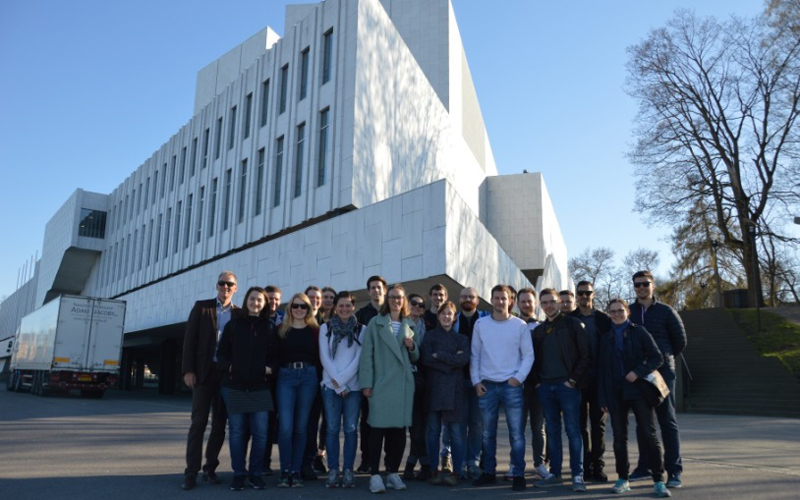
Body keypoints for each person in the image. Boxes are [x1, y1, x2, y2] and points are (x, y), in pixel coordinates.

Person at [598, 299, 671, 498]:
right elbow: (602, 370)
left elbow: (657, 357)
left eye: (620, 310)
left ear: (627, 312)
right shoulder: (606, 338)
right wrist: (602, 398)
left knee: (649, 434)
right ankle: (623, 478)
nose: (616, 314)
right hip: (615, 393)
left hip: (639, 391)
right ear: (609, 314)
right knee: (619, 438)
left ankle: (658, 480)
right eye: (612, 311)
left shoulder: (639, 332)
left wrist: (638, 371)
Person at [470, 285, 534, 492]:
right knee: (487, 434)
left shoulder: (520, 325)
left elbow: (528, 355)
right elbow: (475, 355)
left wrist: (518, 378)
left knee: (516, 434)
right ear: (491, 300)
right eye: (496, 298)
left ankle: (518, 474)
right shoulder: (481, 324)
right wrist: (476, 381)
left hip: (511, 386)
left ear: (511, 301)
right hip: (487, 385)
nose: (500, 302)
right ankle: (489, 472)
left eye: (503, 298)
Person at [181, 271, 241, 490]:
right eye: (222, 283)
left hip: (225, 375)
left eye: (229, 284)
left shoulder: (239, 314)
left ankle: (210, 468)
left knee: (219, 425)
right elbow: (189, 340)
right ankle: (191, 473)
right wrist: (188, 370)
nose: (225, 287)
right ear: (216, 286)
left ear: (235, 288)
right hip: (203, 374)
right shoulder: (202, 307)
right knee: (198, 423)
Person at [628, 271, 687, 489]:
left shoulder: (666, 311)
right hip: (639, 373)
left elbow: (680, 341)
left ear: (653, 285)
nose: (641, 288)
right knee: (643, 423)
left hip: (662, 373)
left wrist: (664, 358)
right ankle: (646, 467)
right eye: (637, 285)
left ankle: (674, 470)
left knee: (667, 421)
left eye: (645, 284)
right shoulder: (630, 311)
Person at [359, 283, 419, 493]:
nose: (395, 300)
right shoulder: (375, 323)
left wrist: (413, 347)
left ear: (404, 301)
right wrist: (366, 383)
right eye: (392, 297)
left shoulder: (409, 324)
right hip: (381, 383)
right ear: (387, 299)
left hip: (402, 384)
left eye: (399, 297)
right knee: (377, 430)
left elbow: (415, 356)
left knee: (399, 431)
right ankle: (375, 474)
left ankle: (393, 472)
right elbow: (366, 356)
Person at [532, 288, 591, 492]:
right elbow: (533, 359)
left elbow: (586, 355)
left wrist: (573, 380)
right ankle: (555, 474)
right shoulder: (539, 331)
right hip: (546, 387)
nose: (548, 306)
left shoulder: (573, 324)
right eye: (545, 302)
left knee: (573, 431)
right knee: (552, 431)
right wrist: (538, 382)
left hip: (567, 387)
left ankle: (577, 475)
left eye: (552, 301)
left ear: (559, 302)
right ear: (541, 306)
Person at [216, 287, 274, 491]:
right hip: (235, 385)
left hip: (260, 387)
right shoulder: (233, 325)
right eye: (252, 299)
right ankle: (239, 474)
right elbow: (221, 354)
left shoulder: (269, 327)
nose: (255, 303)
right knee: (237, 432)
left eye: (259, 300)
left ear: (264, 304)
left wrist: (269, 368)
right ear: (246, 300)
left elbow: (276, 355)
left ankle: (255, 474)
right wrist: (230, 367)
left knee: (261, 433)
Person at [273, 293, 320, 488]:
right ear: (290, 308)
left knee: (301, 427)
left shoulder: (315, 331)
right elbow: (274, 356)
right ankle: (285, 470)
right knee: (285, 428)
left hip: (309, 377)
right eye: (295, 306)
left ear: (309, 310)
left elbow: (319, 357)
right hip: (286, 377)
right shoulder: (280, 330)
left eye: (303, 306)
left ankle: (296, 470)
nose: (299, 309)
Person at [420, 301, 469, 487]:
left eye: (450, 314)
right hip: (433, 388)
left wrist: (439, 356)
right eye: (443, 314)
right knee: (433, 431)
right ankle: (433, 469)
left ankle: (457, 472)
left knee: (456, 432)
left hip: (455, 390)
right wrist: (451, 363)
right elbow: (426, 359)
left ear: (455, 317)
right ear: (438, 316)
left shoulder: (462, 339)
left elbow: (463, 359)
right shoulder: (429, 336)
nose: (447, 317)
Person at [319, 291, 364, 489]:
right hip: (330, 387)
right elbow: (325, 357)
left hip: (353, 387)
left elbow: (358, 359)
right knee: (332, 429)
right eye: (341, 305)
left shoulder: (361, 329)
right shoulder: (325, 328)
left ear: (353, 307)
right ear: (335, 307)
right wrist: (338, 384)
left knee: (351, 429)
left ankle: (348, 470)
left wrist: (343, 382)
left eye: (348, 305)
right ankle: (333, 469)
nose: (344, 309)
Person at [570, 281, 612, 482]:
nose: (584, 296)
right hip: (577, 381)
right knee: (579, 427)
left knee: (598, 426)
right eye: (581, 293)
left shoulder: (604, 319)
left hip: (599, 380)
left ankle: (598, 466)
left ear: (593, 294)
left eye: (588, 293)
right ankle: (585, 466)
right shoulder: (570, 319)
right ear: (576, 295)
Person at [454, 286, 487, 479]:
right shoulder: (453, 320)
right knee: (458, 425)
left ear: (477, 300)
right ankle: (459, 464)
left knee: (476, 424)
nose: (467, 299)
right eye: (464, 296)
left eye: (471, 296)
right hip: (457, 381)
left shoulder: (486, 319)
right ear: (459, 300)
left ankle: (473, 462)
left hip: (480, 381)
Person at [355, 275, 387, 473]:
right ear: (368, 291)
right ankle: (366, 459)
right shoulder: (361, 314)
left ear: (384, 289)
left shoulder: (392, 312)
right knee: (367, 419)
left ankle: (389, 462)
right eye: (373, 287)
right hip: (369, 374)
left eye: (379, 287)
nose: (376, 290)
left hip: (388, 374)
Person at [518, 287, 549, 480]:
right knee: (518, 428)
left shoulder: (543, 328)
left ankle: (540, 463)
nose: (526, 304)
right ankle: (517, 464)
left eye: (529, 301)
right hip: (518, 385)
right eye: (523, 301)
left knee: (538, 427)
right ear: (517, 304)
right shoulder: (512, 326)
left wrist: (540, 381)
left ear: (535, 303)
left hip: (538, 386)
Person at [403, 293, 431, 480]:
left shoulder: (427, 326)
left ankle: (412, 463)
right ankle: (422, 463)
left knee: (423, 425)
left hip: (425, 378)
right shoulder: (400, 325)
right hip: (406, 378)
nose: (417, 307)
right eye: (413, 303)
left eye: (421, 305)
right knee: (415, 426)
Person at [302, 285, 327, 479]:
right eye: (311, 297)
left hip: (322, 379)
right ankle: (300, 461)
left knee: (313, 423)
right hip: (303, 378)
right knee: (303, 422)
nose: (315, 300)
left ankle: (310, 460)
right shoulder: (299, 320)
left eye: (318, 298)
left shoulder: (325, 323)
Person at [262, 284, 282, 475]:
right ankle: (260, 462)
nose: (273, 302)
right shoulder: (257, 319)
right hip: (261, 378)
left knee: (275, 422)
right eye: (270, 299)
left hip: (281, 377)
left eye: (276, 299)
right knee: (261, 423)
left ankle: (267, 463)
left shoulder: (285, 319)